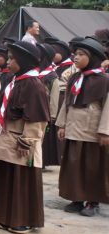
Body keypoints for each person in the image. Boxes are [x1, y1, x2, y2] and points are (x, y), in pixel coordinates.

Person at [0, 41, 49, 233]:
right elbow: (4, 107)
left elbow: (38, 119)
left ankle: (21, 219)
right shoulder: (16, 81)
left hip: (21, 142)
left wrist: (27, 140)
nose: (8, 62)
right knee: (8, 180)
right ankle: (7, 216)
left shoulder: (34, 85)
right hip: (7, 137)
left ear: (24, 61)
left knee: (21, 182)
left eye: (12, 59)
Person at [55, 37, 109, 217]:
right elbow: (67, 103)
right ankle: (76, 197)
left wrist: (105, 131)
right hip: (73, 127)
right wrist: (62, 124)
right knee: (73, 164)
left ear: (92, 57)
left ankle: (92, 201)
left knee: (92, 166)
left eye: (80, 54)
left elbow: (108, 106)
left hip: (91, 129)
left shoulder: (104, 79)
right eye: (75, 54)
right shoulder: (75, 78)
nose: (75, 57)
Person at [37, 43, 63, 168]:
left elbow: (54, 97)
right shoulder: (36, 72)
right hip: (36, 111)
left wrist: (52, 115)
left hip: (45, 112)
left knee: (44, 140)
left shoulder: (52, 76)